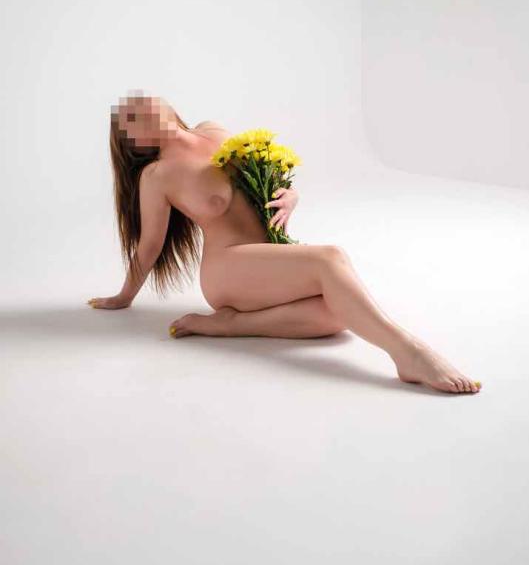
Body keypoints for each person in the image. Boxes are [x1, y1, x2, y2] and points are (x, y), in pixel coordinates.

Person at [87, 93, 481, 395]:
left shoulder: (214, 130)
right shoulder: (157, 176)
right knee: (330, 259)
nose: (143, 111)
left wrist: (290, 196)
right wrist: (124, 296)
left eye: (143, 102)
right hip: (227, 269)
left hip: (267, 258)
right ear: (134, 143)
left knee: (336, 314)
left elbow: (268, 178)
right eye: (131, 119)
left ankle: (231, 325)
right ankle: (408, 353)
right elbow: (150, 246)